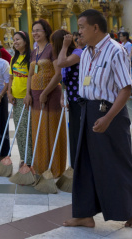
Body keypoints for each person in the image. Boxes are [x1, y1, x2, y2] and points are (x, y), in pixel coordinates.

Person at [64, 9, 132, 229]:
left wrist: (108, 117)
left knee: (118, 162)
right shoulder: (87, 52)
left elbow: (125, 89)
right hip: (88, 110)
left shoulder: (115, 51)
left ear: (95, 28)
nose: (78, 31)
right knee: (85, 163)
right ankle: (84, 214)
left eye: (81, 27)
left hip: (110, 113)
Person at [24, 19, 66, 177]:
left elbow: (58, 74)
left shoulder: (52, 49)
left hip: (50, 95)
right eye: (33, 30)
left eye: (38, 30)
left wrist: (45, 93)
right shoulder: (34, 52)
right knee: (38, 132)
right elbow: (30, 75)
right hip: (35, 96)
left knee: (51, 130)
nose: (35, 33)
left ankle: (54, 169)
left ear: (46, 32)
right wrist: (28, 93)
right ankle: (40, 167)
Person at [54, 30, 82, 168]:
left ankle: (79, 166)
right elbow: (63, 79)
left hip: (80, 99)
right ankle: (74, 167)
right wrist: (62, 96)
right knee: (73, 133)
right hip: (71, 99)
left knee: (78, 133)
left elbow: (61, 64)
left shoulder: (77, 53)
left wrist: (65, 46)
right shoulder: (64, 54)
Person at [7, 31, 32, 167]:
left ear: (25, 41)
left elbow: (31, 78)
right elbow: (11, 77)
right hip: (16, 98)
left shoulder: (31, 58)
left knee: (27, 130)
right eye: (14, 40)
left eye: (18, 40)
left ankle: (30, 159)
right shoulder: (13, 59)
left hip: (26, 99)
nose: (15, 42)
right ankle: (24, 157)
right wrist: (9, 93)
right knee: (19, 130)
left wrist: (28, 94)